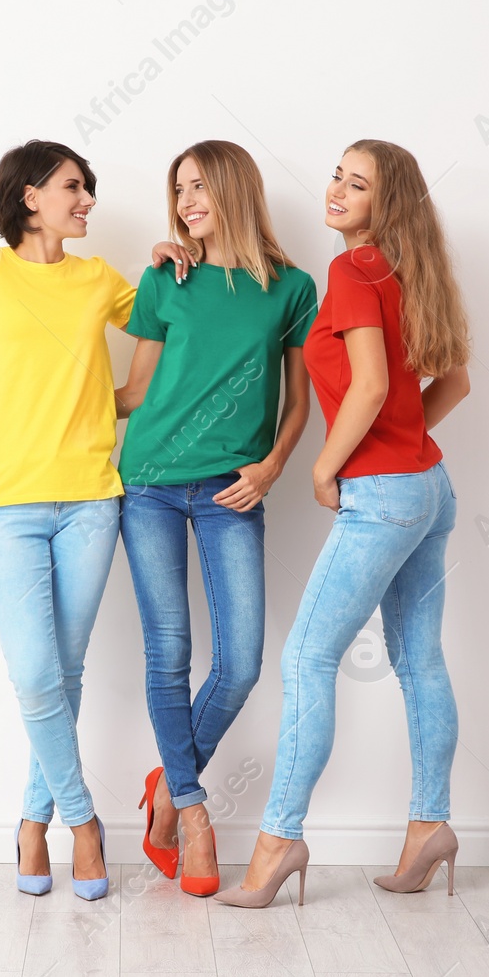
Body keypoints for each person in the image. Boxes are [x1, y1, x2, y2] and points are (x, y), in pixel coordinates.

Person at [0, 140, 189, 900]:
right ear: (30, 194)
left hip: (92, 499)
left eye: (90, 189)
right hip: (6, 501)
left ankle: (30, 824)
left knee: (62, 673)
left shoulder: (99, 279)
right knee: (37, 672)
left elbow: (168, 326)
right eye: (75, 187)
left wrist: (170, 264)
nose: (88, 201)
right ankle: (80, 822)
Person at [217, 139, 473, 908]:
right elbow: (453, 381)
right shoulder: (410, 272)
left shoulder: (352, 270)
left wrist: (329, 466)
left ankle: (277, 844)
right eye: (337, 174)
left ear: (384, 204)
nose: (336, 190)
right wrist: (400, 445)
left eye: (356, 184)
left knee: (305, 661)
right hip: (429, 486)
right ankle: (430, 825)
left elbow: (365, 388)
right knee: (420, 661)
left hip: (383, 496)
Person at [113, 140, 316, 895]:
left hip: (235, 488)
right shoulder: (166, 276)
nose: (187, 199)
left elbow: (299, 402)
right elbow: (134, 391)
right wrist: (45, 416)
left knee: (242, 661)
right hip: (152, 483)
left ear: (233, 188)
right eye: (179, 189)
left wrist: (271, 467)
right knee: (169, 650)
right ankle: (192, 812)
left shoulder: (292, 288)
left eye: (199, 185)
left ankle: (166, 783)